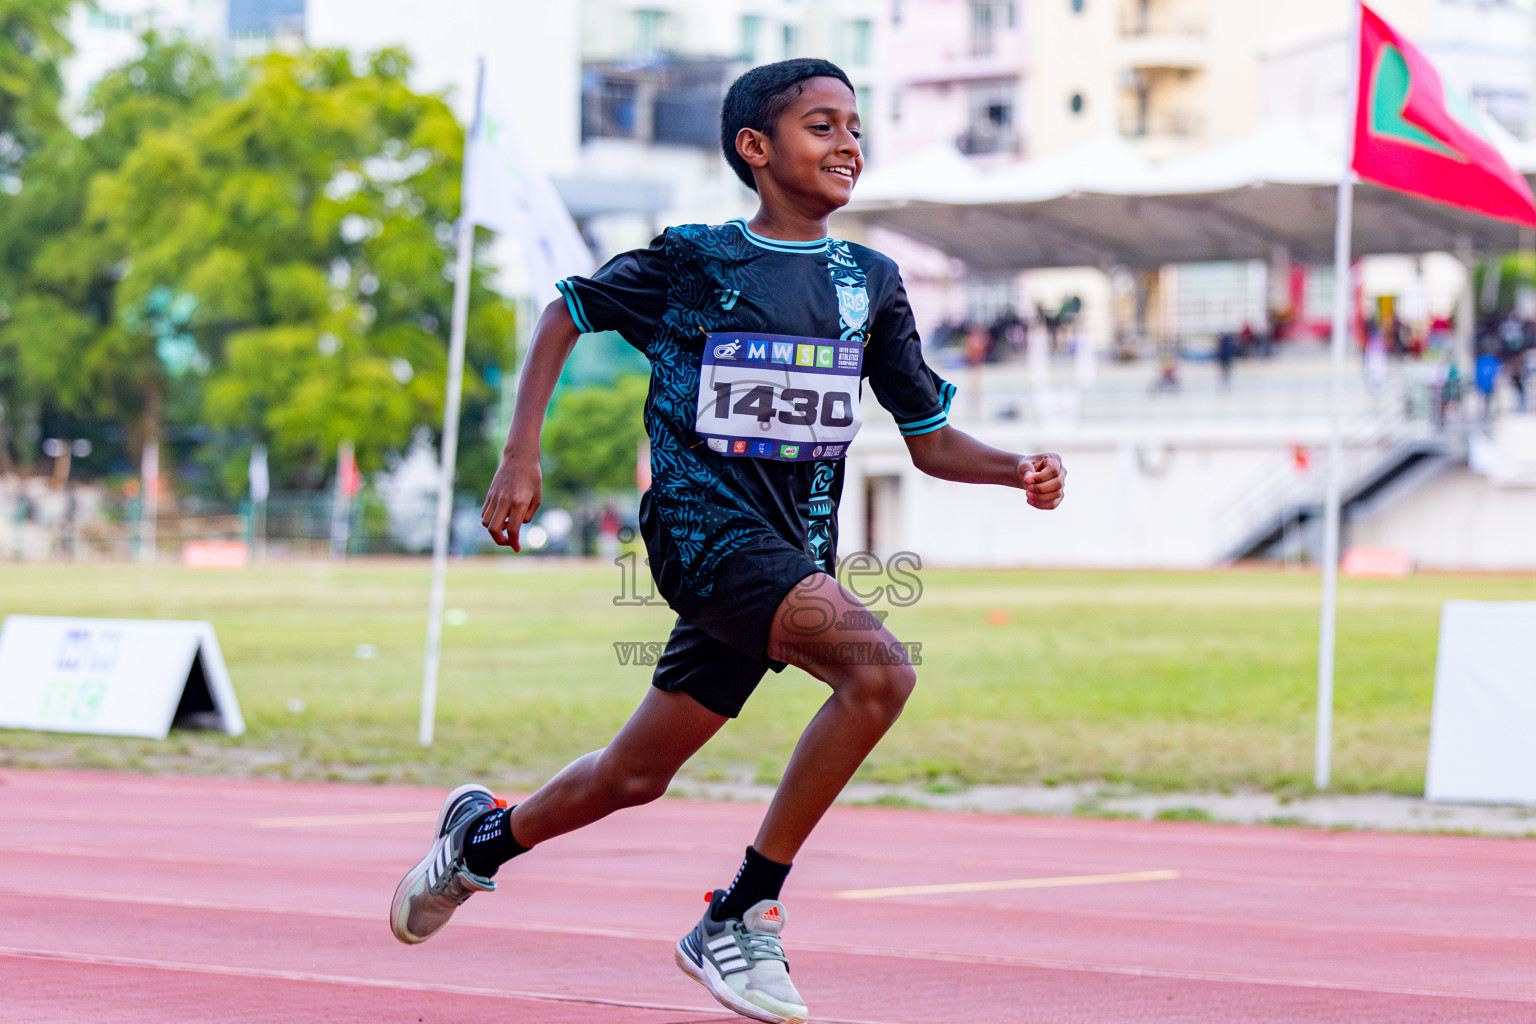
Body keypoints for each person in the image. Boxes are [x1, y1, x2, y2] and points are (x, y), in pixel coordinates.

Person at [389, 59, 1066, 1024]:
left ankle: (480, 842)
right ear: (756, 149)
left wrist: (1015, 469)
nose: (848, 147)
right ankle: (741, 913)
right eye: (821, 127)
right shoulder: (698, 259)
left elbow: (929, 442)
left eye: (855, 128)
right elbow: (565, 312)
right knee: (879, 674)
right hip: (704, 535)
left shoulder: (867, 284)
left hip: (788, 556)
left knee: (634, 774)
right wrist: (519, 454)